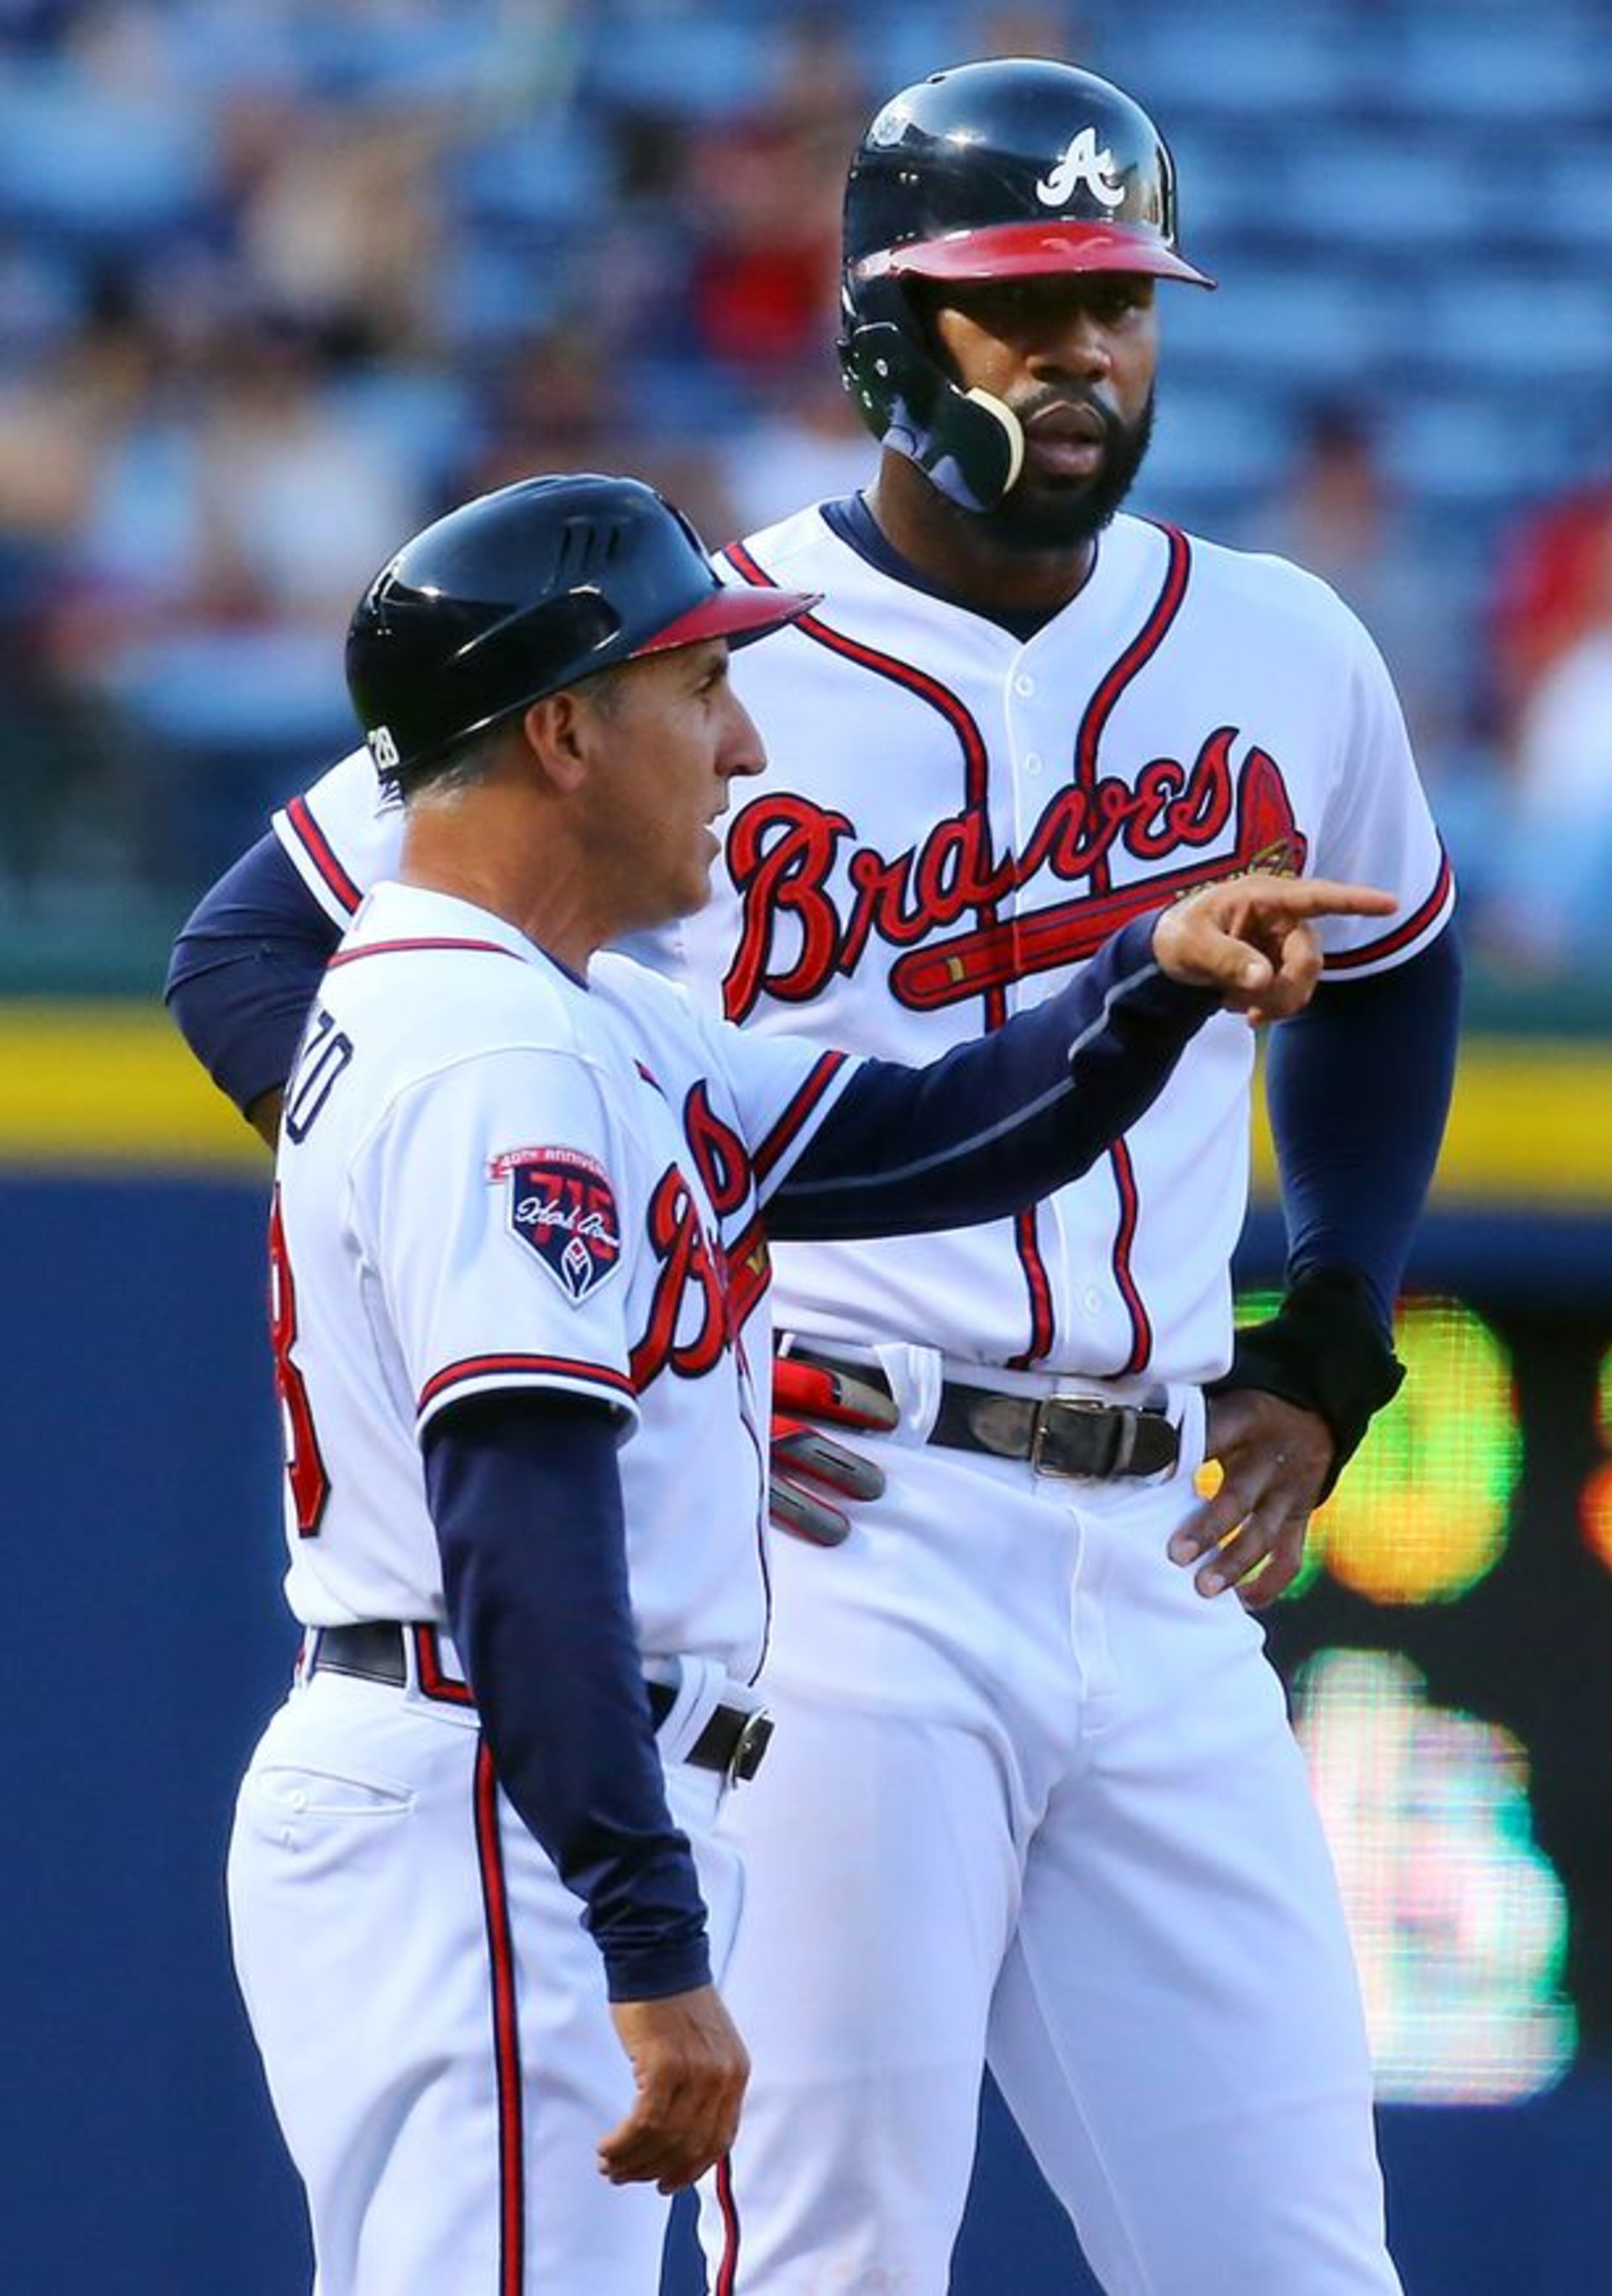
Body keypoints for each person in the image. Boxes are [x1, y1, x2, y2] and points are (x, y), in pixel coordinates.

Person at [167, 59, 1460, 2296]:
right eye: (1018, 305)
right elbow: (254, 951)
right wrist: (626, 1275)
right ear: (887, 330)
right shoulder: (690, 647)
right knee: (844, 2254)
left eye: (1119, 302)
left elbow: (1399, 966)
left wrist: (1336, 1335)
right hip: (847, 1536)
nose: (1082, 355)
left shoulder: (1283, 647)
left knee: (1296, 2260)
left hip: (1163, 1552)